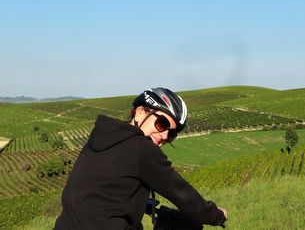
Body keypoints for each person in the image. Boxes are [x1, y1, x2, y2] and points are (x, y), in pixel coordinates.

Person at [54, 87, 227, 230]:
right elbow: (182, 193)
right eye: (162, 123)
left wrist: (141, 203)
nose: (165, 134)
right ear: (139, 113)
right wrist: (216, 215)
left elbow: (99, 190)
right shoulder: (142, 149)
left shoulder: (102, 137)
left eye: (172, 133)